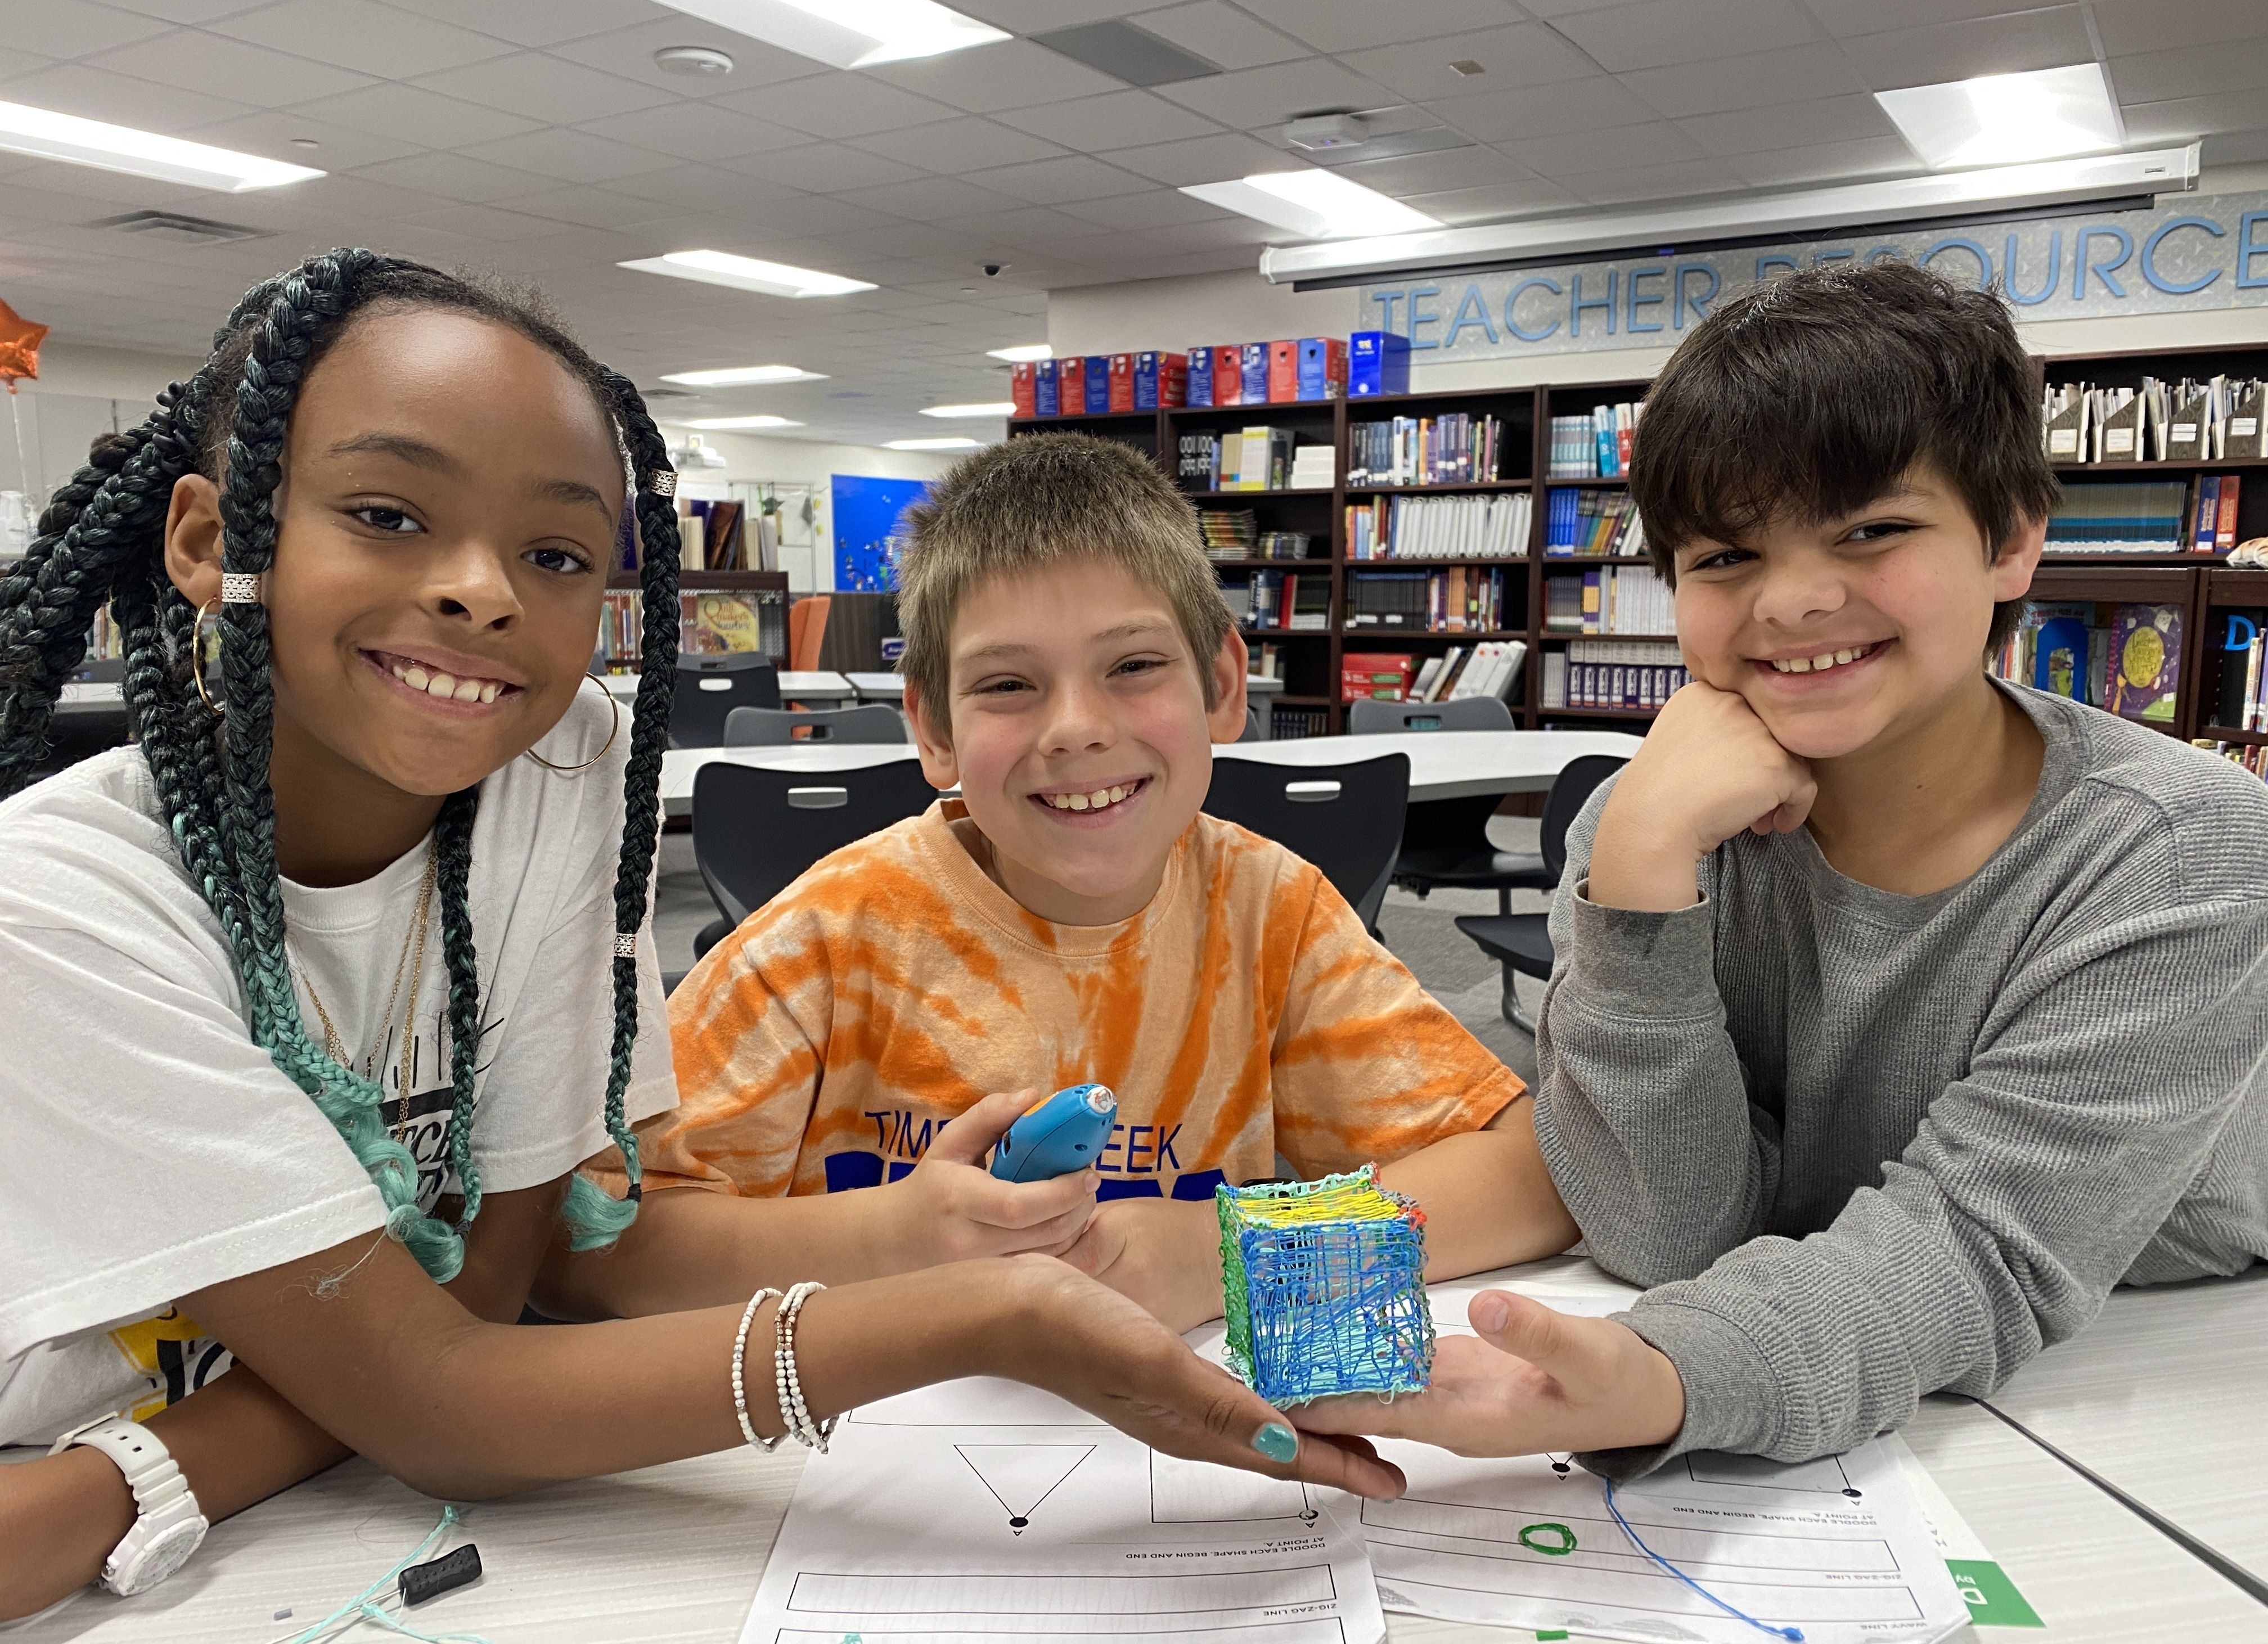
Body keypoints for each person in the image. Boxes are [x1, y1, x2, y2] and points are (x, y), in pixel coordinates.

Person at [0, 251, 1399, 1624]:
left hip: (277, 1512)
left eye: (554, 552)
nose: (481, 589)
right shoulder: (63, 901)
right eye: (385, 511)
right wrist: (981, 1313)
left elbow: (480, 1309)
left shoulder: (556, 769)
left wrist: (157, 1473)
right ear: (208, 541)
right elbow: (445, 1393)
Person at [1291, 261, 2268, 1475]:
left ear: (2013, 540)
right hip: (1832, 1326)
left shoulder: (2179, 844)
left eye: (1872, 530)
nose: (1797, 602)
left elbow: (1982, 1248)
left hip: (2156, 1347)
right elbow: (1663, 1229)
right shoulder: (1649, 829)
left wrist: (1669, 1378)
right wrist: (1643, 867)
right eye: (1724, 558)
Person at [608, 431, 1579, 1338]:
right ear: (934, 729)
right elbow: (595, 1249)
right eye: (1007, 684)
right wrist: (889, 1242)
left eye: (1134, 665)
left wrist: (1223, 1255)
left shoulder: (1268, 913)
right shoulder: (833, 934)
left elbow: (1532, 1180)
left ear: (1223, 688)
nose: (1075, 727)